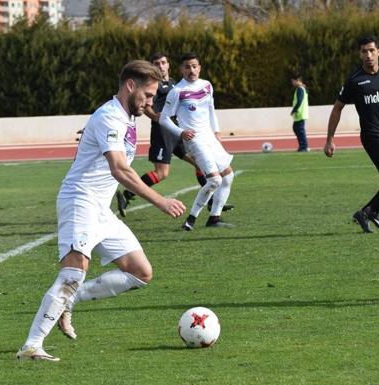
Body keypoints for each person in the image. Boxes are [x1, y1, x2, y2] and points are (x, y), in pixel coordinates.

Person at [16, 60, 186, 362]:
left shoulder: (125, 116)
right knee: (72, 273)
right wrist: (160, 201)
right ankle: (32, 345)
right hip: (80, 200)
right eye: (147, 95)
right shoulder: (110, 116)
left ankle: (68, 303)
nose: (150, 103)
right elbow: (120, 169)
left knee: (140, 272)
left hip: (100, 207)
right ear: (130, 86)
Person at [116, 53, 233, 217]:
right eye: (156, 63)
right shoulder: (152, 84)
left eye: (163, 63)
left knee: (199, 163)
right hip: (162, 132)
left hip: (178, 131)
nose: (160, 66)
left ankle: (212, 202)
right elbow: (146, 104)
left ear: (168, 65)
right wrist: (155, 117)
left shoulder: (173, 84)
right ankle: (129, 193)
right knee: (162, 173)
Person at [324, 35, 379, 233]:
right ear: (359, 54)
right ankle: (371, 211)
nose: (368, 55)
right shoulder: (355, 81)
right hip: (373, 139)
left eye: (372, 50)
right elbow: (337, 108)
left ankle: (366, 212)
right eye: (364, 51)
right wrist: (329, 140)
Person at [160, 52, 235, 230]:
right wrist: (181, 132)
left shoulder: (207, 85)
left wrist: (216, 131)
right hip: (195, 141)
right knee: (215, 181)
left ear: (199, 67)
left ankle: (214, 218)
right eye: (187, 67)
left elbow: (211, 109)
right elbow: (163, 118)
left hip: (210, 137)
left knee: (228, 176)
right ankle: (191, 220)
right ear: (181, 69)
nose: (191, 70)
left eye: (194, 66)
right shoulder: (177, 91)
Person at [290, 74, 310, 152]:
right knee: (296, 128)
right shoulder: (302, 88)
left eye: (293, 81)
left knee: (300, 130)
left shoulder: (300, 89)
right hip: (300, 114)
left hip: (300, 113)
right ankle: (302, 146)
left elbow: (299, 101)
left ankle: (304, 146)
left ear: (297, 80)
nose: (292, 83)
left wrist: (294, 110)